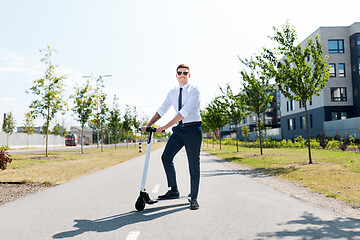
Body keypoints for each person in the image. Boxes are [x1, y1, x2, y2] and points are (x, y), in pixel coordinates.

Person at [141, 64, 202, 210]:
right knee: (166, 157)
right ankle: (173, 190)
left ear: (189, 75)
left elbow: (183, 112)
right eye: (179, 73)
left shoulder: (194, 91)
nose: (182, 75)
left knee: (193, 164)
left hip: (193, 129)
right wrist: (148, 125)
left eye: (185, 73)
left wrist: (164, 128)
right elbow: (162, 110)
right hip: (179, 130)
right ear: (176, 75)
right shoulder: (172, 92)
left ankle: (194, 198)